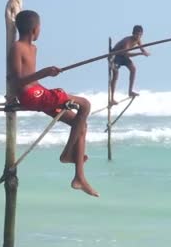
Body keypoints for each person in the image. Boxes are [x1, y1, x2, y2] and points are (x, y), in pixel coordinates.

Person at [8, 10, 99, 197]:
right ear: (35, 29)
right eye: (40, 28)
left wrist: (45, 79)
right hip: (30, 96)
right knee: (85, 104)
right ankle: (67, 154)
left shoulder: (33, 49)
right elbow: (17, 82)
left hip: (38, 92)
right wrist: (44, 73)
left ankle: (79, 178)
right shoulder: (17, 48)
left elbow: (33, 81)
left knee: (80, 124)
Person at [110, 25, 150, 105]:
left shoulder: (138, 40)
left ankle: (130, 91)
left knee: (133, 69)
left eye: (140, 35)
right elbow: (127, 54)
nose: (138, 36)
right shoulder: (127, 41)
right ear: (133, 34)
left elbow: (141, 48)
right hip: (115, 56)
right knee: (115, 75)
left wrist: (145, 52)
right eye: (137, 34)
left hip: (123, 56)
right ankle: (112, 98)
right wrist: (140, 53)